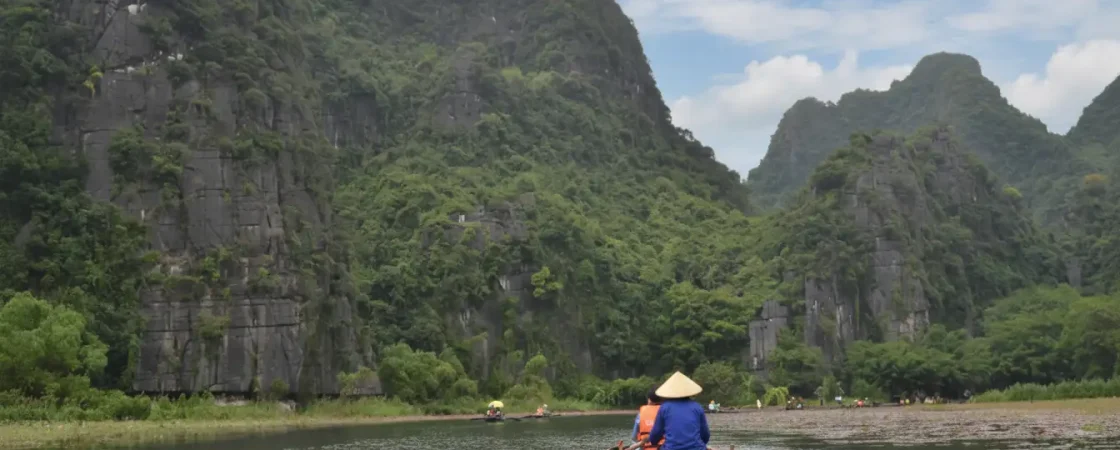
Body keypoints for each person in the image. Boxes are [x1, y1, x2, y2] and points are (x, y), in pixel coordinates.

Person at [647, 372, 711, 450]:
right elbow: (705, 436)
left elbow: (655, 435)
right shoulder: (697, 407)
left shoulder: (665, 408)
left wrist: (654, 442)